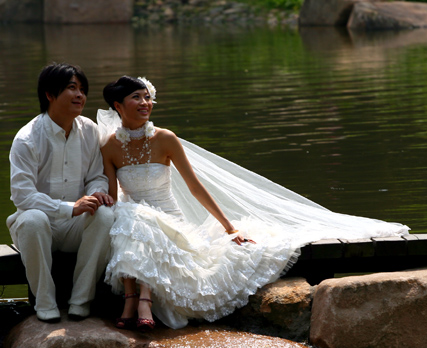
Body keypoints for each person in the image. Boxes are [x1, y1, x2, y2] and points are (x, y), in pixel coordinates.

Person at [99, 76, 409, 330]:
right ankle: (139, 299)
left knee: (135, 216)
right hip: (135, 222)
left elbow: (195, 187)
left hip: (170, 222)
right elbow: (113, 195)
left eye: (147, 97)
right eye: (136, 98)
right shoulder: (110, 146)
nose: (145, 104)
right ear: (118, 106)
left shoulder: (165, 138)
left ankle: (136, 299)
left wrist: (230, 228)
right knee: (129, 212)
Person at [7, 63, 116, 323]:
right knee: (33, 219)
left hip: (74, 228)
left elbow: (96, 175)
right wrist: (69, 208)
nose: (80, 95)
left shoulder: (90, 130)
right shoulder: (27, 138)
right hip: (38, 228)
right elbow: (22, 195)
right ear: (49, 95)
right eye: (71, 88)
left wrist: (98, 192)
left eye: (82, 89)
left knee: (105, 216)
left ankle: (81, 300)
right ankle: (45, 303)